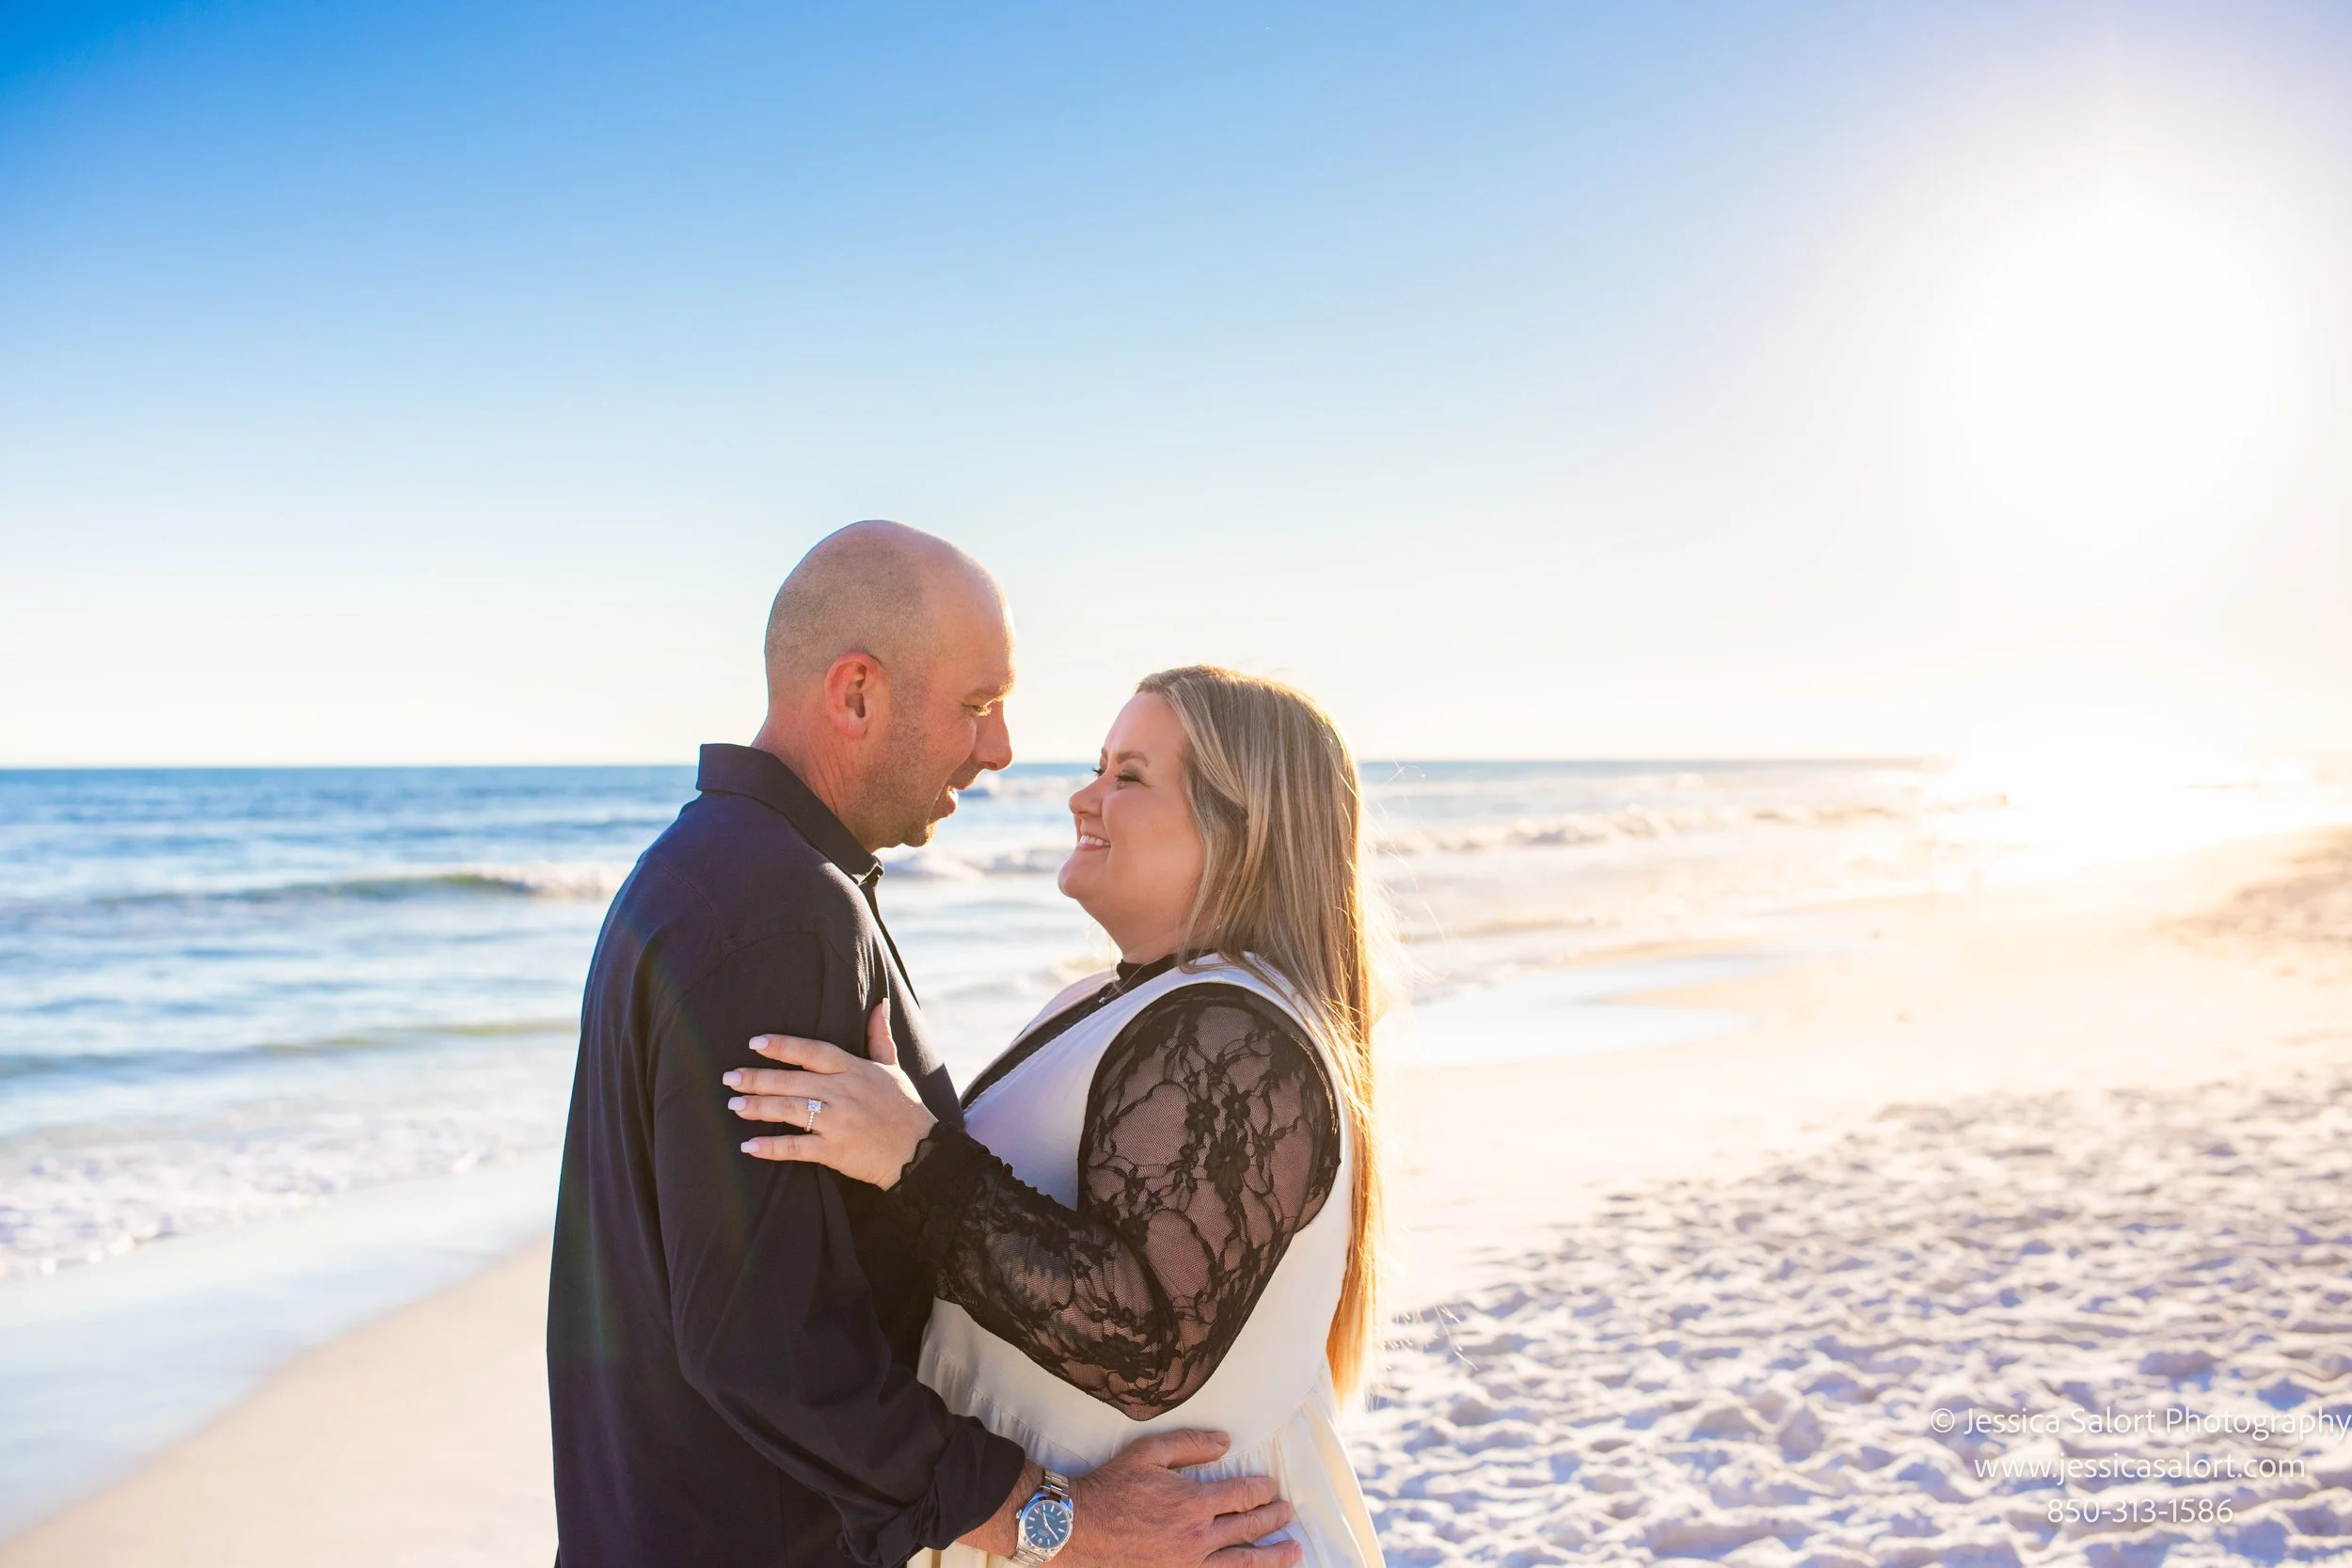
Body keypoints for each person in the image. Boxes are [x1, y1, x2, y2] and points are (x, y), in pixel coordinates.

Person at [547, 522, 1303, 1568]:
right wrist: (1057, 1522)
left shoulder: (723, 874)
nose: (998, 749)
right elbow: (766, 1341)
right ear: (857, 693)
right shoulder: (773, 909)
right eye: (977, 705)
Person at [724, 665, 1389, 1567]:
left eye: (1128, 776)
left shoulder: (1232, 1033)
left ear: (1243, 829)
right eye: (1099, 766)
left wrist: (914, 1155)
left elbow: (1147, 1341)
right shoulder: (1137, 1002)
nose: (1083, 798)